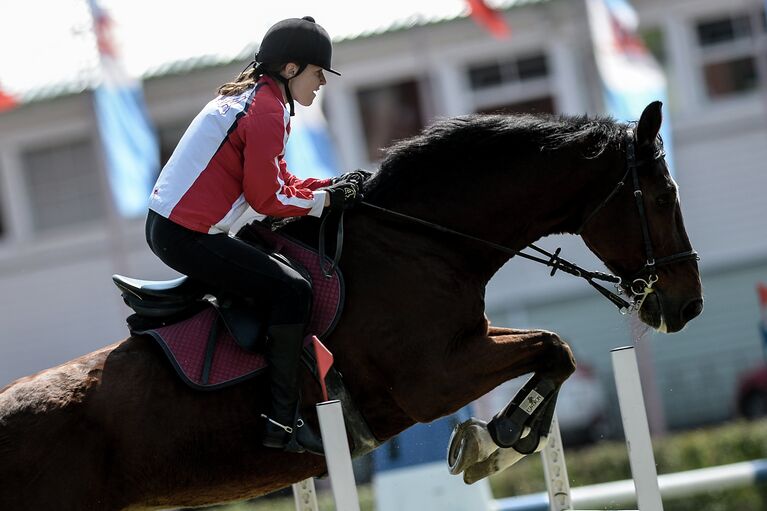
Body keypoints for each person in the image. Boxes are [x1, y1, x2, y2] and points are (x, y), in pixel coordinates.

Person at [145, 16, 366, 456]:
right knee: (294, 291)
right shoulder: (265, 111)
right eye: (317, 72)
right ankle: (282, 420)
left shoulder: (263, 101)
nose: (321, 82)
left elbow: (280, 180)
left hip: (178, 229)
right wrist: (324, 202)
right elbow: (266, 199)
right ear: (289, 69)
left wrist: (326, 187)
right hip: (185, 235)